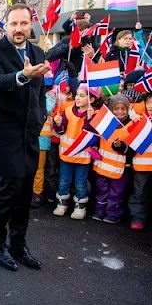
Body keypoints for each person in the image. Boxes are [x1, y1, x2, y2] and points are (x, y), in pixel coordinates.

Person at [0, 3, 49, 272]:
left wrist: (40, 116)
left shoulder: (38, 52)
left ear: (30, 24)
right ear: (5, 26)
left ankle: (18, 245)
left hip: (29, 134)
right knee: (7, 194)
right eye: (13, 24)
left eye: (23, 23)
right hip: (4, 135)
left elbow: (40, 91)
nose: (18, 29)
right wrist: (22, 75)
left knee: (25, 194)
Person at [52, 85, 103, 219]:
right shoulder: (68, 110)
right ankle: (62, 204)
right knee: (64, 180)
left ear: (91, 99)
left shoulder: (96, 114)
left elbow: (93, 134)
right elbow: (61, 131)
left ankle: (80, 206)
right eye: (77, 95)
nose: (77, 98)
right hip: (67, 154)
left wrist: (89, 118)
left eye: (82, 95)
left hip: (83, 156)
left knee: (81, 182)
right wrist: (58, 124)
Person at [91, 94, 133, 224]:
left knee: (116, 192)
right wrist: (95, 147)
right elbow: (98, 138)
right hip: (102, 165)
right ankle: (99, 210)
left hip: (119, 169)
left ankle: (113, 213)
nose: (120, 112)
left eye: (123, 109)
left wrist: (121, 147)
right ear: (110, 110)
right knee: (101, 189)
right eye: (116, 109)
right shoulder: (105, 123)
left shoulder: (130, 126)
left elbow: (132, 149)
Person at [129, 92, 152, 230]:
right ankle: (138, 218)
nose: (150, 106)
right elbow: (129, 139)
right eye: (148, 103)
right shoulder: (140, 120)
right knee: (139, 193)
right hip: (142, 165)